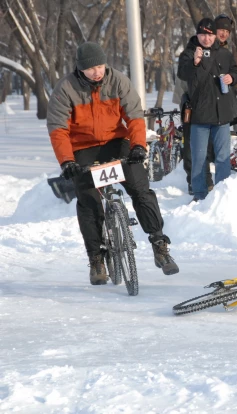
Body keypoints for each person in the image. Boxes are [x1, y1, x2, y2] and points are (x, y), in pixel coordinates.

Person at [47, 42, 179, 285]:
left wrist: (138, 145)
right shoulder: (65, 88)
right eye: (91, 69)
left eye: (100, 66)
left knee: (141, 189)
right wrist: (67, 161)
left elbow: (135, 116)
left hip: (116, 141)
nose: (97, 72)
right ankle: (96, 258)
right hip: (82, 148)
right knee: (88, 201)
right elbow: (58, 129)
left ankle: (159, 244)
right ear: (80, 69)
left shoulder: (118, 80)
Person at [177, 18, 237, 201]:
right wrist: (195, 63)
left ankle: (221, 195)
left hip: (222, 114)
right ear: (197, 34)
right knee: (199, 158)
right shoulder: (189, 53)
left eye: (210, 34)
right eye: (203, 34)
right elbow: (183, 74)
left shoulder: (224, 53)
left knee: (222, 157)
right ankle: (199, 194)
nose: (206, 38)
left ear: (215, 35)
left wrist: (232, 77)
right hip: (200, 114)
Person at [171, 79, 214, 195]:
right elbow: (180, 94)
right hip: (190, 108)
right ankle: (195, 181)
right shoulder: (186, 65)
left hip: (208, 109)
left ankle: (204, 180)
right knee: (192, 146)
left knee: (203, 147)